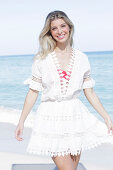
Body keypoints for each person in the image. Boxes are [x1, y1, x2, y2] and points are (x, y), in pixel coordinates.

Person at [15, 10, 113, 170]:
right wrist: (21, 121)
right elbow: (33, 92)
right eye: (54, 28)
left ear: (70, 28)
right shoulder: (42, 60)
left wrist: (106, 117)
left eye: (63, 26)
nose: (60, 31)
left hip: (75, 117)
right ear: (50, 32)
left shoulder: (82, 58)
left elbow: (90, 92)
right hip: (51, 118)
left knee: (72, 168)